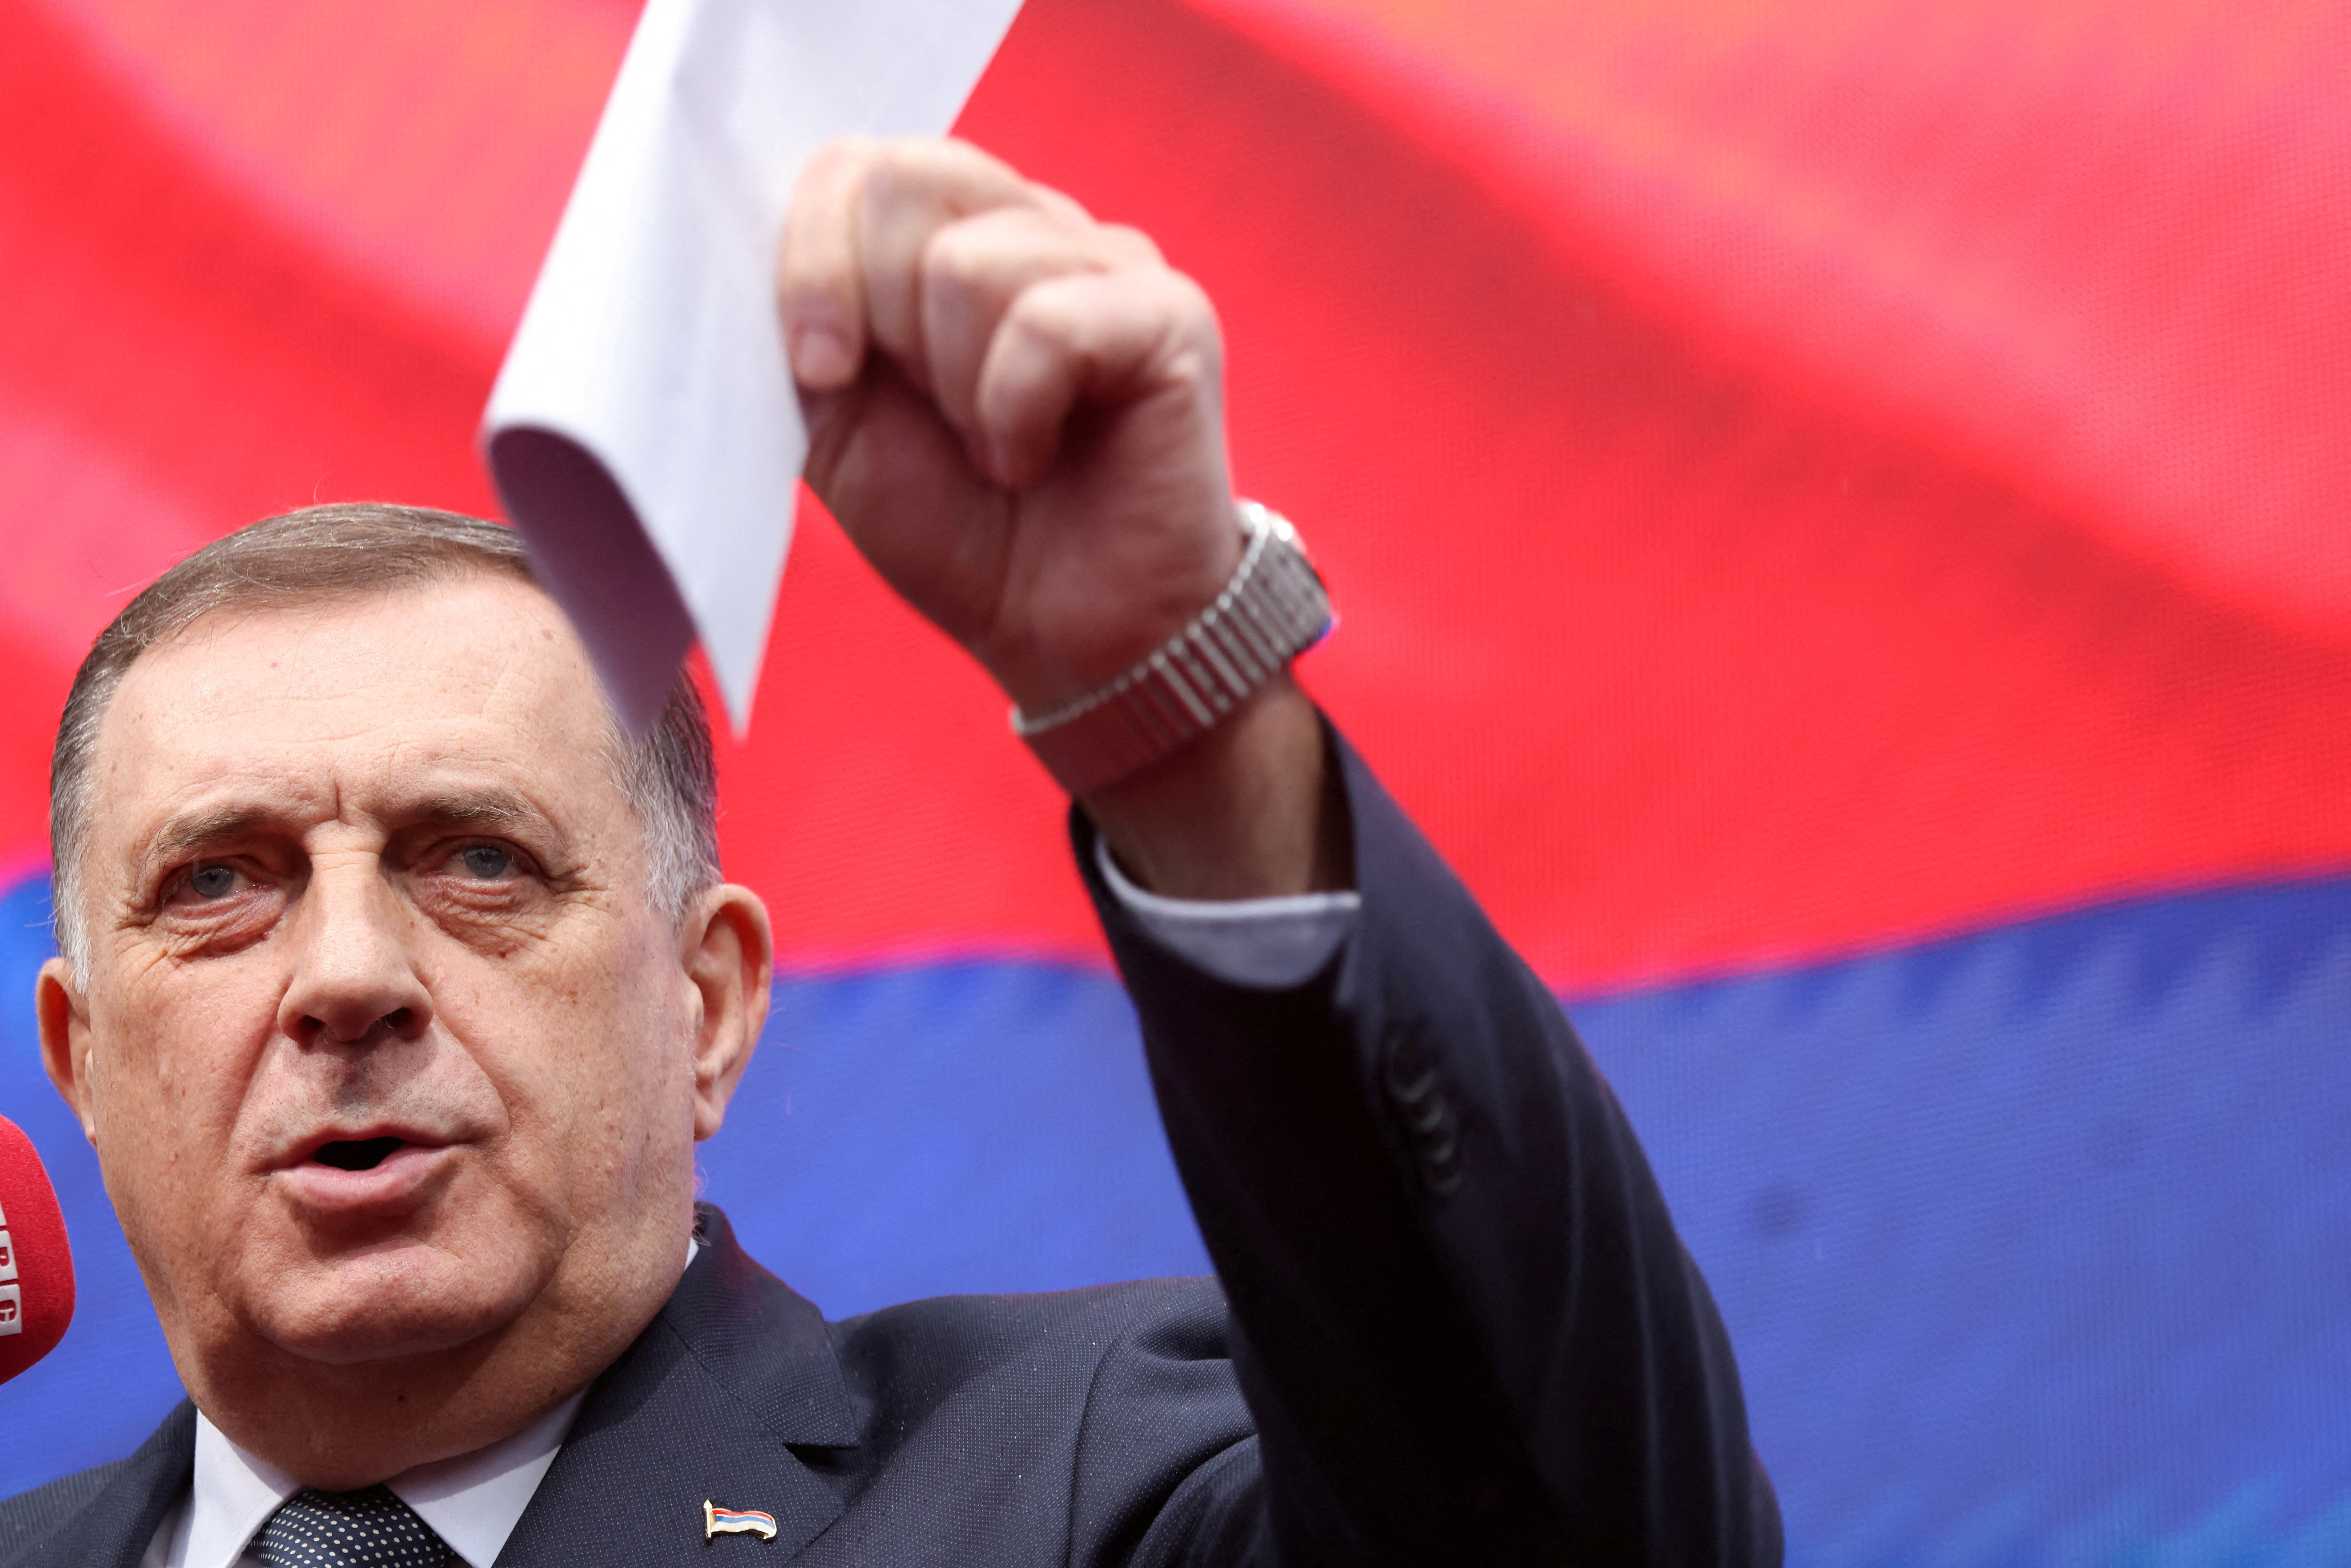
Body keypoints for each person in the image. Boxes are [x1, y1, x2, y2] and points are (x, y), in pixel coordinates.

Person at [2, 139, 1777, 1566]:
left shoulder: (1085, 1484)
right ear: (81, 1057)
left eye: (477, 860)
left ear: (706, 1003)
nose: (347, 974)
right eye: (218, 882)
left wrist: (1183, 715)